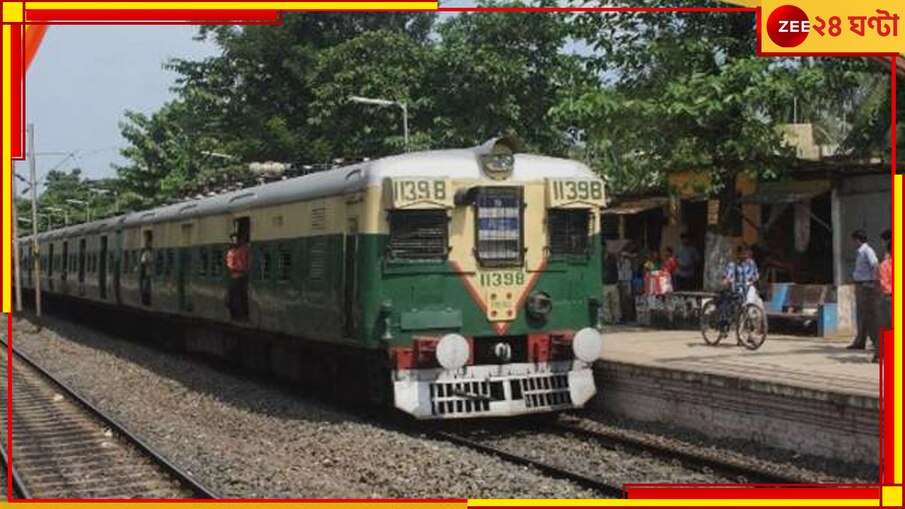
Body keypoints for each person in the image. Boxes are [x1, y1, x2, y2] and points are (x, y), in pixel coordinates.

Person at [715, 245, 760, 335]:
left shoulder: (752, 263)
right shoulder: (732, 265)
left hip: (749, 288)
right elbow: (728, 276)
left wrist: (752, 281)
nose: (745, 255)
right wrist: (727, 281)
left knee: (751, 309)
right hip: (737, 290)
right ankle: (737, 332)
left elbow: (756, 275)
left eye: (746, 253)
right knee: (736, 307)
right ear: (738, 254)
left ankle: (749, 333)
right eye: (743, 253)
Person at [847, 230, 879, 353]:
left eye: (854, 240)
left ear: (858, 240)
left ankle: (876, 342)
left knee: (869, 314)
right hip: (861, 285)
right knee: (861, 314)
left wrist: (871, 282)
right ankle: (860, 340)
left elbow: (875, 265)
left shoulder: (867, 251)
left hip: (866, 286)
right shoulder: (861, 252)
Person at [875, 230, 892, 363]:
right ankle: (880, 355)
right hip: (889, 299)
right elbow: (884, 283)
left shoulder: (884, 264)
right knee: (887, 327)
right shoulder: (885, 265)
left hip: (889, 298)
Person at [225, 233, 250, 321]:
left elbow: (247, 262)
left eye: (236, 239)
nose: (234, 241)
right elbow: (230, 265)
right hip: (235, 277)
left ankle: (242, 315)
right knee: (234, 298)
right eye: (233, 240)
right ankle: (235, 316)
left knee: (242, 297)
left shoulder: (245, 250)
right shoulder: (231, 252)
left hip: (241, 276)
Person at [138, 232, 153, 306]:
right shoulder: (146, 252)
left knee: (146, 285)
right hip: (148, 273)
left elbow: (143, 262)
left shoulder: (146, 252)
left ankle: (145, 298)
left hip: (148, 273)